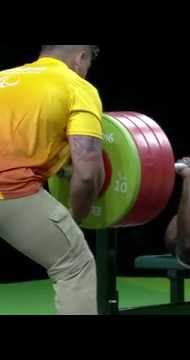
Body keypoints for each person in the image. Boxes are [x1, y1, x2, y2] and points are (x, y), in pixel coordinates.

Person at [0, 45, 105, 315]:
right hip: (10, 191)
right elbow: (87, 172)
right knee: (75, 266)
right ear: (82, 56)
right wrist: (77, 215)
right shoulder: (77, 87)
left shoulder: (4, 77)